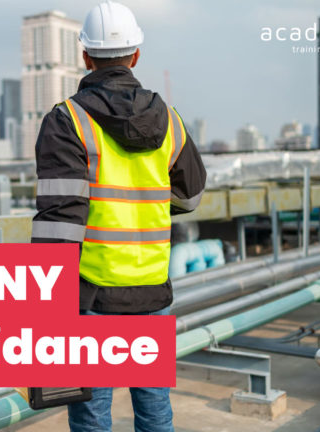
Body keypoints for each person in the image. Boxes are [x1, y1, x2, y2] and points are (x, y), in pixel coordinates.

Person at [30, 1, 207, 431]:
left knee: (92, 418)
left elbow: (60, 220)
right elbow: (191, 197)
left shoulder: (66, 120)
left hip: (93, 297)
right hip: (152, 293)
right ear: (136, 55)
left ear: (85, 56)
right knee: (155, 413)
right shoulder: (169, 118)